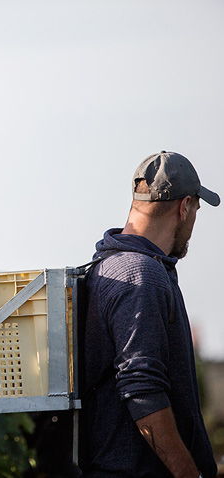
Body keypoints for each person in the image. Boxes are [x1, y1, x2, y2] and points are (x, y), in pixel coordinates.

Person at [81, 151, 219, 477]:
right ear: (184, 207)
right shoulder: (142, 276)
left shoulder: (110, 265)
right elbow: (143, 389)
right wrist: (188, 473)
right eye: (196, 211)